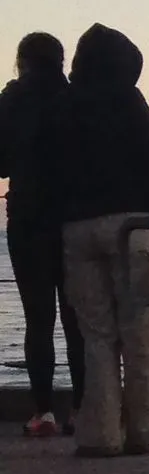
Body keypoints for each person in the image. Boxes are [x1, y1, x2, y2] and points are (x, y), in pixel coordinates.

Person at [43, 26, 149, 455]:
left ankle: (100, 435)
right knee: (144, 338)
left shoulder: (61, 106)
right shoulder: (130, 103)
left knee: (96, 338)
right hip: (133, 226)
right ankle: (146, 433)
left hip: (77, 230)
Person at [0, 35, 59, 435]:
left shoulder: (14, 100)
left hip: (28, 218)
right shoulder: (76, 99)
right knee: (79, 319)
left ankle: (44, 412)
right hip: (71, 217)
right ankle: (88, 410)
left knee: (38, 318)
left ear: (22, 62)